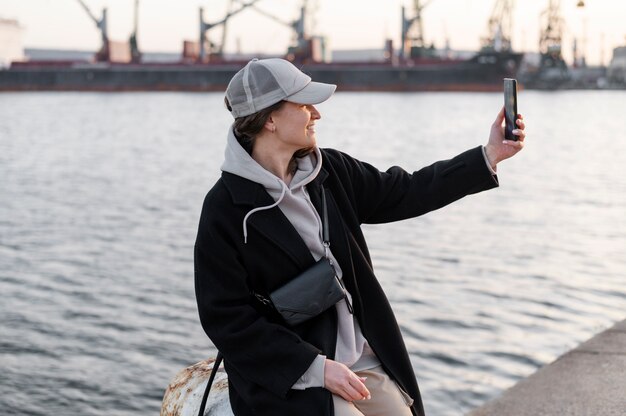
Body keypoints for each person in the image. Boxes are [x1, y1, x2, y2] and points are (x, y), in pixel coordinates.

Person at [194, 58, 526, 416]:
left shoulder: (331, 172)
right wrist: (315, 368)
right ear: (269, 119)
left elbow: (408, 191)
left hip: (363, 360)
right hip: (292, 376)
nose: (316, 114)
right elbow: (226, 318)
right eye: (304, 105)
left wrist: (489, 155)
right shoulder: (226, 209)